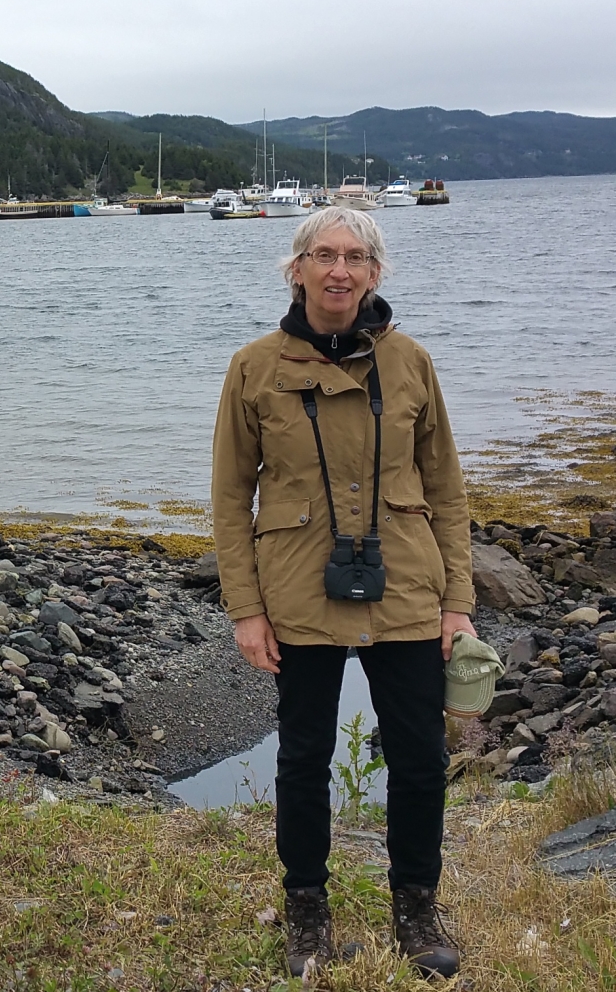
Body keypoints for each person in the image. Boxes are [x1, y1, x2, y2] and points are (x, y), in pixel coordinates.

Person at [211, 207, 472, 980]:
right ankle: (306, 910)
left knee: (422, 759)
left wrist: (457, 600)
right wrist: (246, 611)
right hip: (298, 591)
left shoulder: (413, 362)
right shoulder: (254, 367)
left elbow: (447, 490)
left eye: (355, 257)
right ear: (296, 269)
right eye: (323, 255)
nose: (339, 271)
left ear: (375, 273)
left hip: (407, 591)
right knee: (303, 759)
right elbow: (230, 499)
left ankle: (416, 905)